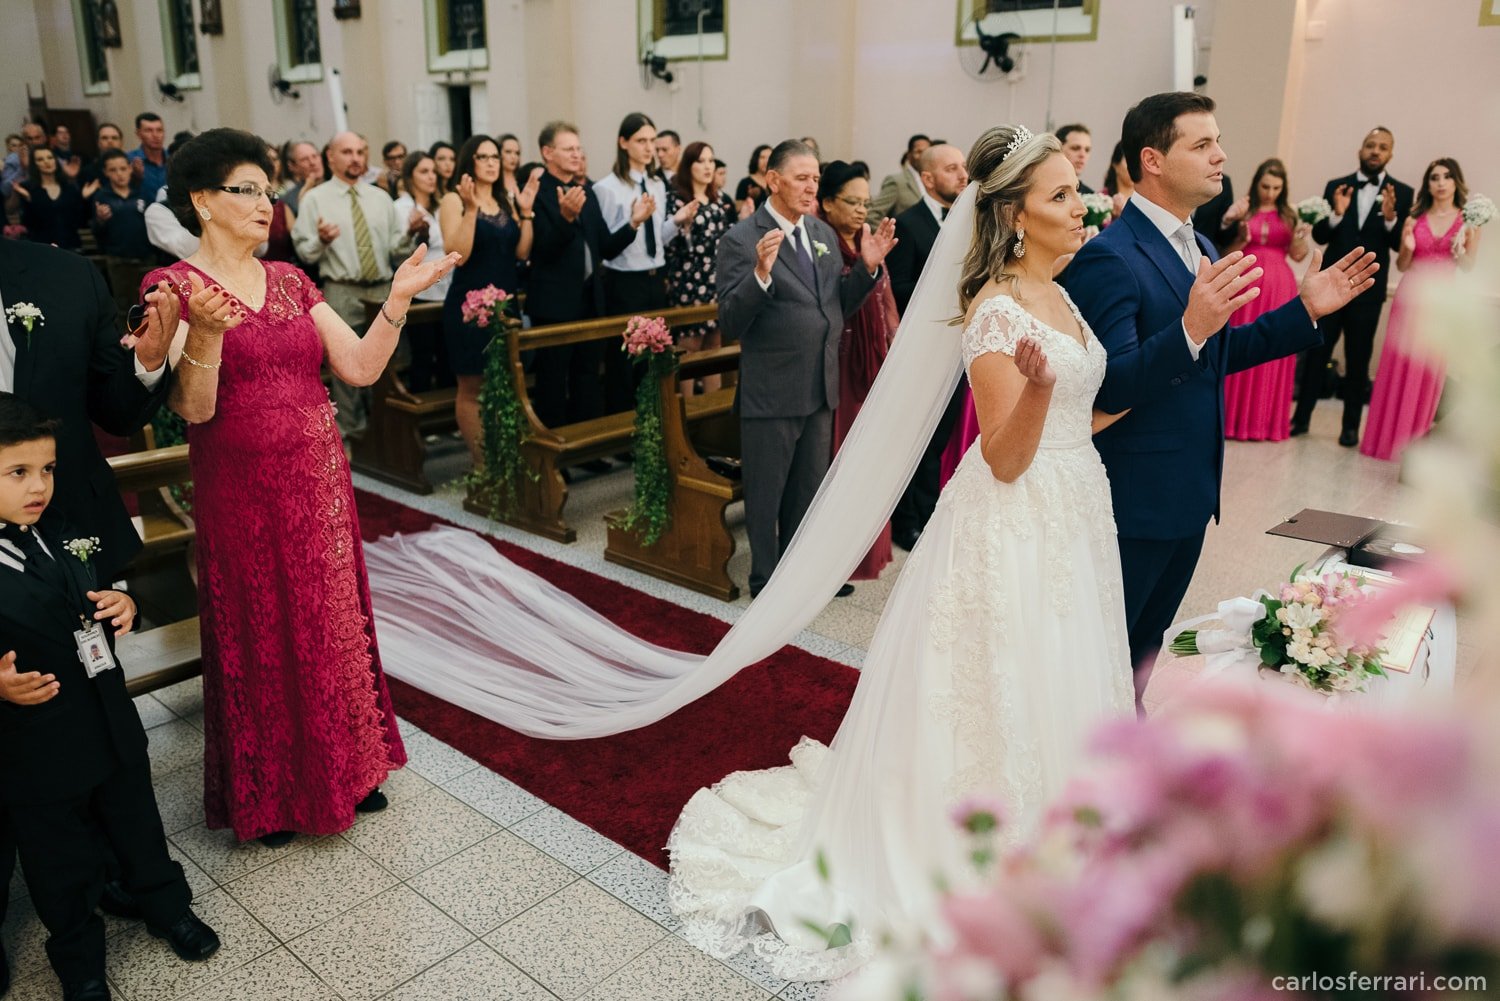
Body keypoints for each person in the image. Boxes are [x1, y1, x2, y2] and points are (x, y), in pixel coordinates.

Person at [669, 126, 1136, 980]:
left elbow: (1079, 412)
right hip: (1015, 517)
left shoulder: (1062, 297)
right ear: (1015, 216)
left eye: (1079, 190)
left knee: (1062, 669)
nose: (1083, 206)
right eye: (1063, 194)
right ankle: (981, 850)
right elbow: (1003, 455)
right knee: (999, 682)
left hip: (1073, 511)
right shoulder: (997, 307)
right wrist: (1036, 389)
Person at [149, 128, 457, 844]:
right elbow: (191, 409)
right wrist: (205, 334)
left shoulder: (290, 278)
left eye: (267, 190)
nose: (266, 204)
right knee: (260, 624)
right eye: (246, 190)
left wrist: (398, 299)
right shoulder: (172, 287)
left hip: (317, 477)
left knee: (329, 616)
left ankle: (349, 766)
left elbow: (357, 367)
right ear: (202, 200)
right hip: (239, 484)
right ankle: (273, 791)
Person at [1062, 92, 1378, 711]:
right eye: (1202, 144)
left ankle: (1122, 740)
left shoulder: (1202, 248)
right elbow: (1109, 386)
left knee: (1144, 645)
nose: (1221, 155)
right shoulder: (1109, 257)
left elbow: (1220, 355)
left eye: (1218, 141)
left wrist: (1306, 309)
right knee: (1102, 645)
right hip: (1132, 495)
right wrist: (1188, 330)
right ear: (1152, 159)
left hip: (1190, 490)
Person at [0, 233, 176, 993]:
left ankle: (124, 877)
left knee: (100, 729)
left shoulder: (61, 274)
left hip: (66, 528)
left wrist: (150, 357)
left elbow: (109, 396)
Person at [0, 395, 220, 1001]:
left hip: (108, 717)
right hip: (34, 746)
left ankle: (166, 906)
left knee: (137, 822)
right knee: (60, 861)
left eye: (45, 470)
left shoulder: (64, 530)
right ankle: (80, 962)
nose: (38, 485)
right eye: (18, 473)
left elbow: (103, 595)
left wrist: (128, 604)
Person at [716, 139, 895, 597]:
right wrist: (759, 273)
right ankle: (766, 581)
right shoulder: (741, 239)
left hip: (819, 384)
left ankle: (802, 575)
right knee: (767, 494)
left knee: (808, 493)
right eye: (801, 177)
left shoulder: (818, 233)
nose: (811, 186)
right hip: (773, 389)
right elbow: (731, 322)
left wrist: (867, 271)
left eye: (815, 178)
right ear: (773, 180)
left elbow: (836, 305)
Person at [292, 130, 424, 442]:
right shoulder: (315, 199)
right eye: (348, 152)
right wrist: (321, 240)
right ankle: (351, 435)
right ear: (331, 157)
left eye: (360, 152)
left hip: (381, 288)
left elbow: (396, 249)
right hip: (342, 289)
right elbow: (303, 250)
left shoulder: (380, 199)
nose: (356, 159)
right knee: (345, 365)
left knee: (388, 361)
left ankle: (386, 434)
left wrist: (409, 234)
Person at [1291, 126, 1414, 446]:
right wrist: (1336, 215)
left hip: (1368, 290)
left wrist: (1390, 219)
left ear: (1391, 153)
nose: (1376, 151)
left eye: (1383, 147)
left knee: (1359, 359)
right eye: (1370, 145)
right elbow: (1321, 236)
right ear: (1361, 149)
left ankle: (1349, 428)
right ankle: (1300, 419)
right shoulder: (1337, 186)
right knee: (1317, 353)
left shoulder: (1402, 192)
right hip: (1330, 284)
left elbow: (1399, 243)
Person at [1362, 157, 1481, 462]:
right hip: (1411, 295)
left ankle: (1414, 446)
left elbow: (1468, 267)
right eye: (1434, 178)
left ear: (1456, 182)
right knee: (1399, 365)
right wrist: (1407, 247)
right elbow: (1403, 265)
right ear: (1428, 184)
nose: (1440, 183)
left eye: (1446, 177)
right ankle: (1384, 440)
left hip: (1443, 301)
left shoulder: (1468, 221)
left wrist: (1461, 250)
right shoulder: (1415, 218)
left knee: (1428, 371)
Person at [527, 121, 643, 428]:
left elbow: (603, 246)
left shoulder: (586, 192)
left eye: (579, 148)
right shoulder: (537, 194)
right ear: (547, 152)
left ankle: (587, 448)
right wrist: (565, 219)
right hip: (554, 302)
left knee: (587, 374)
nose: (577, 154)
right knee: (553, 379)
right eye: (569, 149)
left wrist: (632, 224)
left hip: (590, 297)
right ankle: (555, 452)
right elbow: (540, 252)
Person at [818, 160, 900, 584]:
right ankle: (831, 562)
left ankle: (865, 556)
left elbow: (886, 307)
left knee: (869, 461)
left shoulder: (867, 240)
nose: (859, 211)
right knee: (840, 462)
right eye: (851, 201)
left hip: (871, 365)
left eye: (865, 203)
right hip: (839, 365)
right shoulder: (822, 244)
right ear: (827, 202)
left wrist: (898, 352)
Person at [888, 142, 969, 550]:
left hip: (956, 349)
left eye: (963, 167)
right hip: (921, 351)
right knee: (915, 439)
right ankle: (906, 522)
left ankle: (928, 510)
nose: (961, 175)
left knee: (941, 437)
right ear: (928, 178)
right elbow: (899, 289)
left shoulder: (971, 221)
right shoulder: (909, 222)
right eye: (951, 169)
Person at [439, 136, 538, 461]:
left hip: (505, 302)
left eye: (495, 156)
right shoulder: (453, 200)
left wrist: (525, 213)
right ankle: (483, 465)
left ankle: (502, 458)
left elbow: (522, 251)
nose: (492, 162)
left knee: (504, 381)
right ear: (470, 162)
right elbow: (459, 255)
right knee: (472, 385)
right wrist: (470, 210)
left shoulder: (504, 199)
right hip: (469, 305)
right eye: (484, 157)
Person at [594, 112, 696, 414]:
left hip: (654, 279)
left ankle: (654, 422)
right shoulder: (607, 188)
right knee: (625, 362)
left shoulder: (656, 183)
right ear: (623, 143)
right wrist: (634, 222)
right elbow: (606, 247)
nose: (648, 147)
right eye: (641, 141)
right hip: (625, 281)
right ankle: (623, 426)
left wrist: (676, 222)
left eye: (652, 141)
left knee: (656, 357)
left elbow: (658, 241)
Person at [1218, 158, 1310, 441]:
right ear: (1257, 183)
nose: (1270, 192)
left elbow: (1298, 255)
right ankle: (1232, 421)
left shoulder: (1290, 215)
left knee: (1274, 346)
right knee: (1240, 343)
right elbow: (1226, 251)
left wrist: (1299, 237)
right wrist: (1241, 236)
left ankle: (1264, 422)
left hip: (1280, 287)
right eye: (1265, 186)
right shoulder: (1244, 210)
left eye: (1276, 187)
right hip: (1245, 282)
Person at [663, 141, 733, 394]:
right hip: (688, 279)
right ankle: (687, 410)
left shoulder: (719, 198)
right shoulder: (677, 198)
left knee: (713, 346)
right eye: (701, 161)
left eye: (711, 161)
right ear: (688, 165)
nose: (707, 166)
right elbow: (667, 242)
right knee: (689, 347)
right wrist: (683, 223)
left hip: (715, 279)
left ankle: (711, 412)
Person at [393, 150, 454, 392]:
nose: (431, 177)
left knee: (447, 352)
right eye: (424, 172)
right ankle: (423, 417)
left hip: (446, 288)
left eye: (433, 172)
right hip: (419, 291)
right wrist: (413, 234)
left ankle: (446, 416)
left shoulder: (442, 207)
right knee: (423, 353)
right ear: (410, 177)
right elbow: (396, 253)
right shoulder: (401, 208)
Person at [89, 149, 156, 318]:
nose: (119, 174)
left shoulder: (141, 193)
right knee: (124, 304)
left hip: (145, 257)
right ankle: (128, 341)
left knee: (150, 301)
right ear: (105, 172)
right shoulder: (102, 196)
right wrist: (100, 220)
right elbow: (97, 232)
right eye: (113, 170)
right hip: (119, 260)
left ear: (130, 168)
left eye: (123, 168)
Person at [13, 145, 87, 249]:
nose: (46, 162)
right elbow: (28, 224)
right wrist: (29, 200)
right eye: (40, 159)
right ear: (34, 164)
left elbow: (78, 220)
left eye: (50, 158)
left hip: (70, 245)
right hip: (41, 248)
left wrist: (81, 196)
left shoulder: (69, 188)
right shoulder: (28, 188)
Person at [868, 133, 930, 225]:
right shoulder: (897, 182)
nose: (923, 156)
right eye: (919, 152)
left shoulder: (932, 181)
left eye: (927, 152)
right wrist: (889, 237)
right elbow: (873, 216)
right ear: (909, 155)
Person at [127, 112, 169, 204]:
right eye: (149, 130)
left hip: (170, 214)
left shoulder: (173, 158)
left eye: (159, 130)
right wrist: (135, 178)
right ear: (138, 134)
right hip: (140, 215)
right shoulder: (129, 160)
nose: (155, 135)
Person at [280, 140, 323, 215]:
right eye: (304, 159)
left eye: (315, 156)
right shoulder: (288, 202)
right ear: (292, 166)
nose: (312, 162)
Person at [734, 143, 772, 219]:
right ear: (756, 160)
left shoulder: (776, 181)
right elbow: (737, 209)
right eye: (762, 157)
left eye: (769, 157)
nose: (766, 161)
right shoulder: (745, 183)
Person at [1056, 123, 1094, 194]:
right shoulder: (1042, 187)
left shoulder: (1092, 197)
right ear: (1058, 149)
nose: (1083, 155)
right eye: (1075, 148)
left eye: (1087, 150)